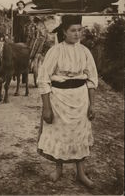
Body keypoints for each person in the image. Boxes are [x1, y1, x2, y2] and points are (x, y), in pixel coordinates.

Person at [37, 15, 98, 188]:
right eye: (73, 30)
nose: (77, 34)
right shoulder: (55, 51)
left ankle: (81, 173)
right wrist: (46, 108)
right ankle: (58, 169)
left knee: (79, 134)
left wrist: (92, 104)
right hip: (59, 99)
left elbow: (92, 79)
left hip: (80, 98)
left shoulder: (85, 51)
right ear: (64, 32)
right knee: (60, 133)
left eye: (80, 30)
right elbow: (43, 79)